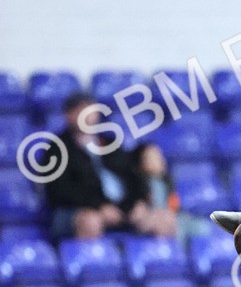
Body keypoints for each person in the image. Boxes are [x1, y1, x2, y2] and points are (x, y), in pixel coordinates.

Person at [44, 93, 175, 240]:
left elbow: (131, 175)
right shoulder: (56, 149)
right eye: (81, 110)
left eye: (90, 109)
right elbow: (61, 190)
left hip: (120, 209)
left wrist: (138, 203)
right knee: (90, 221)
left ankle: (154, 260)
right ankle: (93, 261)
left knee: (164, 220)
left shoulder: (109, 142)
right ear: (68, 115)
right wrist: (98, 206)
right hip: (78, 210)